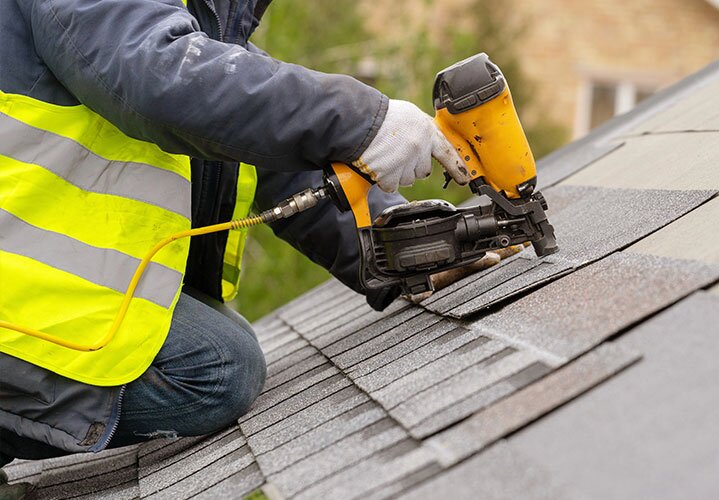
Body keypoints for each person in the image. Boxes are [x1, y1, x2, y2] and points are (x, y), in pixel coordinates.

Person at [0, 0, 472, 496]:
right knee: (216, 367)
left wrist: (403, 245)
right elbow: (161, 77)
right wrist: (359, 121)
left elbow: (263, 144)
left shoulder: (198, 17)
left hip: (28, 284)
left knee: (218, 347)